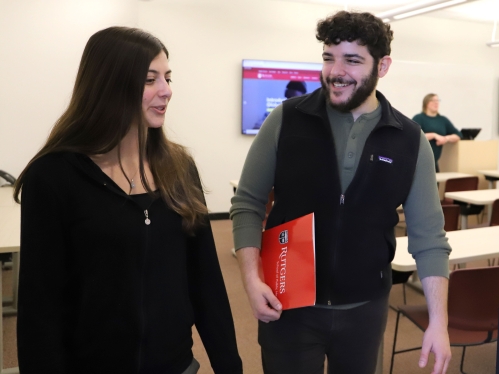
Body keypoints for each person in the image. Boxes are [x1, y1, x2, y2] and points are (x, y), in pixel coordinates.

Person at [231, 11, 452, 374]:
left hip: (365, 311)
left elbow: (429, 238)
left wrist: (438, 322)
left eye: (352, 60)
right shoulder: (287, 119)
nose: (335, 71)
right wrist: (251, 280)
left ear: (382, 66)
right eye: (328, 57)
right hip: (288, 305)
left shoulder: (409, 140)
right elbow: (247, 204)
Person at [14, 26, 242, 374]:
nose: (167, 91)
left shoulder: (179, 169)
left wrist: (230, 366)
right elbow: (39, 309)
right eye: (150, 80)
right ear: (110, 84)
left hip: (176, 365)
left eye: (168, 77)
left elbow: (205, 282)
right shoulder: (54, 177)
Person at [412, 93, 462, 172]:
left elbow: (458, 135)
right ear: (426, 103)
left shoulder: (443, 120)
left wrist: (446, 138)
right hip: (419, 162)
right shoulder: (419, 118)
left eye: (437, 100)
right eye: (433, 100)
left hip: (434, 162)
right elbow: (413, 136)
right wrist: (433, 135)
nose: (436, 103)